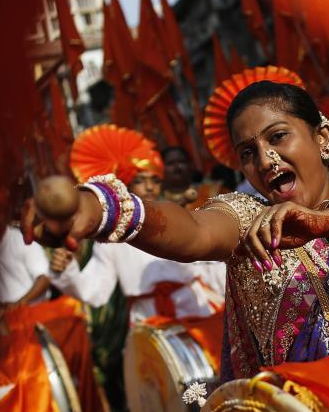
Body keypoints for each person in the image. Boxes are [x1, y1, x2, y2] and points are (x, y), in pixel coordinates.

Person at [25, 81, 329, 380]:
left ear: (321, 138)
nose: (264, 160)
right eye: (248, 152)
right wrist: (99, 210)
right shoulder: (247, 219)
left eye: (277, 137)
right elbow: (193, 232)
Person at [49, 125, 226, 323]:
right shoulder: (112, 238)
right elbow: (96, 291)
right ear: (127, 184)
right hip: (147, 326)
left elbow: (207, 266)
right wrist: (66, 271)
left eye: (155, 180)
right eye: (141, 180)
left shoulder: (176, 217)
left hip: (196, 310)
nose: (150, 186)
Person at [160, 146, 225, 210]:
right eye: (170, 163)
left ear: (190, 165)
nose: (176, 166)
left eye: (181, 161)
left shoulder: (212, 191)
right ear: (162, 168)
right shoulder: (158, 203)